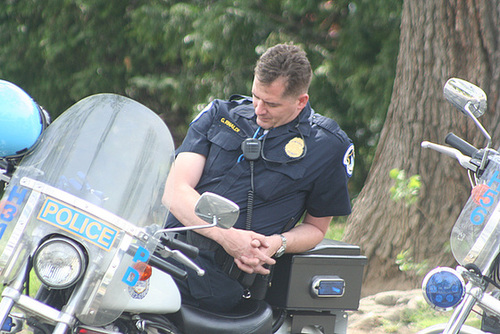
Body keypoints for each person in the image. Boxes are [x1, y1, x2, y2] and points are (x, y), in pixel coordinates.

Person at [163, 43, 354, 313]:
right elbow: (174, 190)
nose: (259, 109)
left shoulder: (328, 146)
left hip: (222, 282)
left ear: (301, 101)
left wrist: (277, 244)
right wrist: (227, 237)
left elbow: (317, 229)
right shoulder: (220, 115)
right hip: (165, 254)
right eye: (256, 97)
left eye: (271, 104)